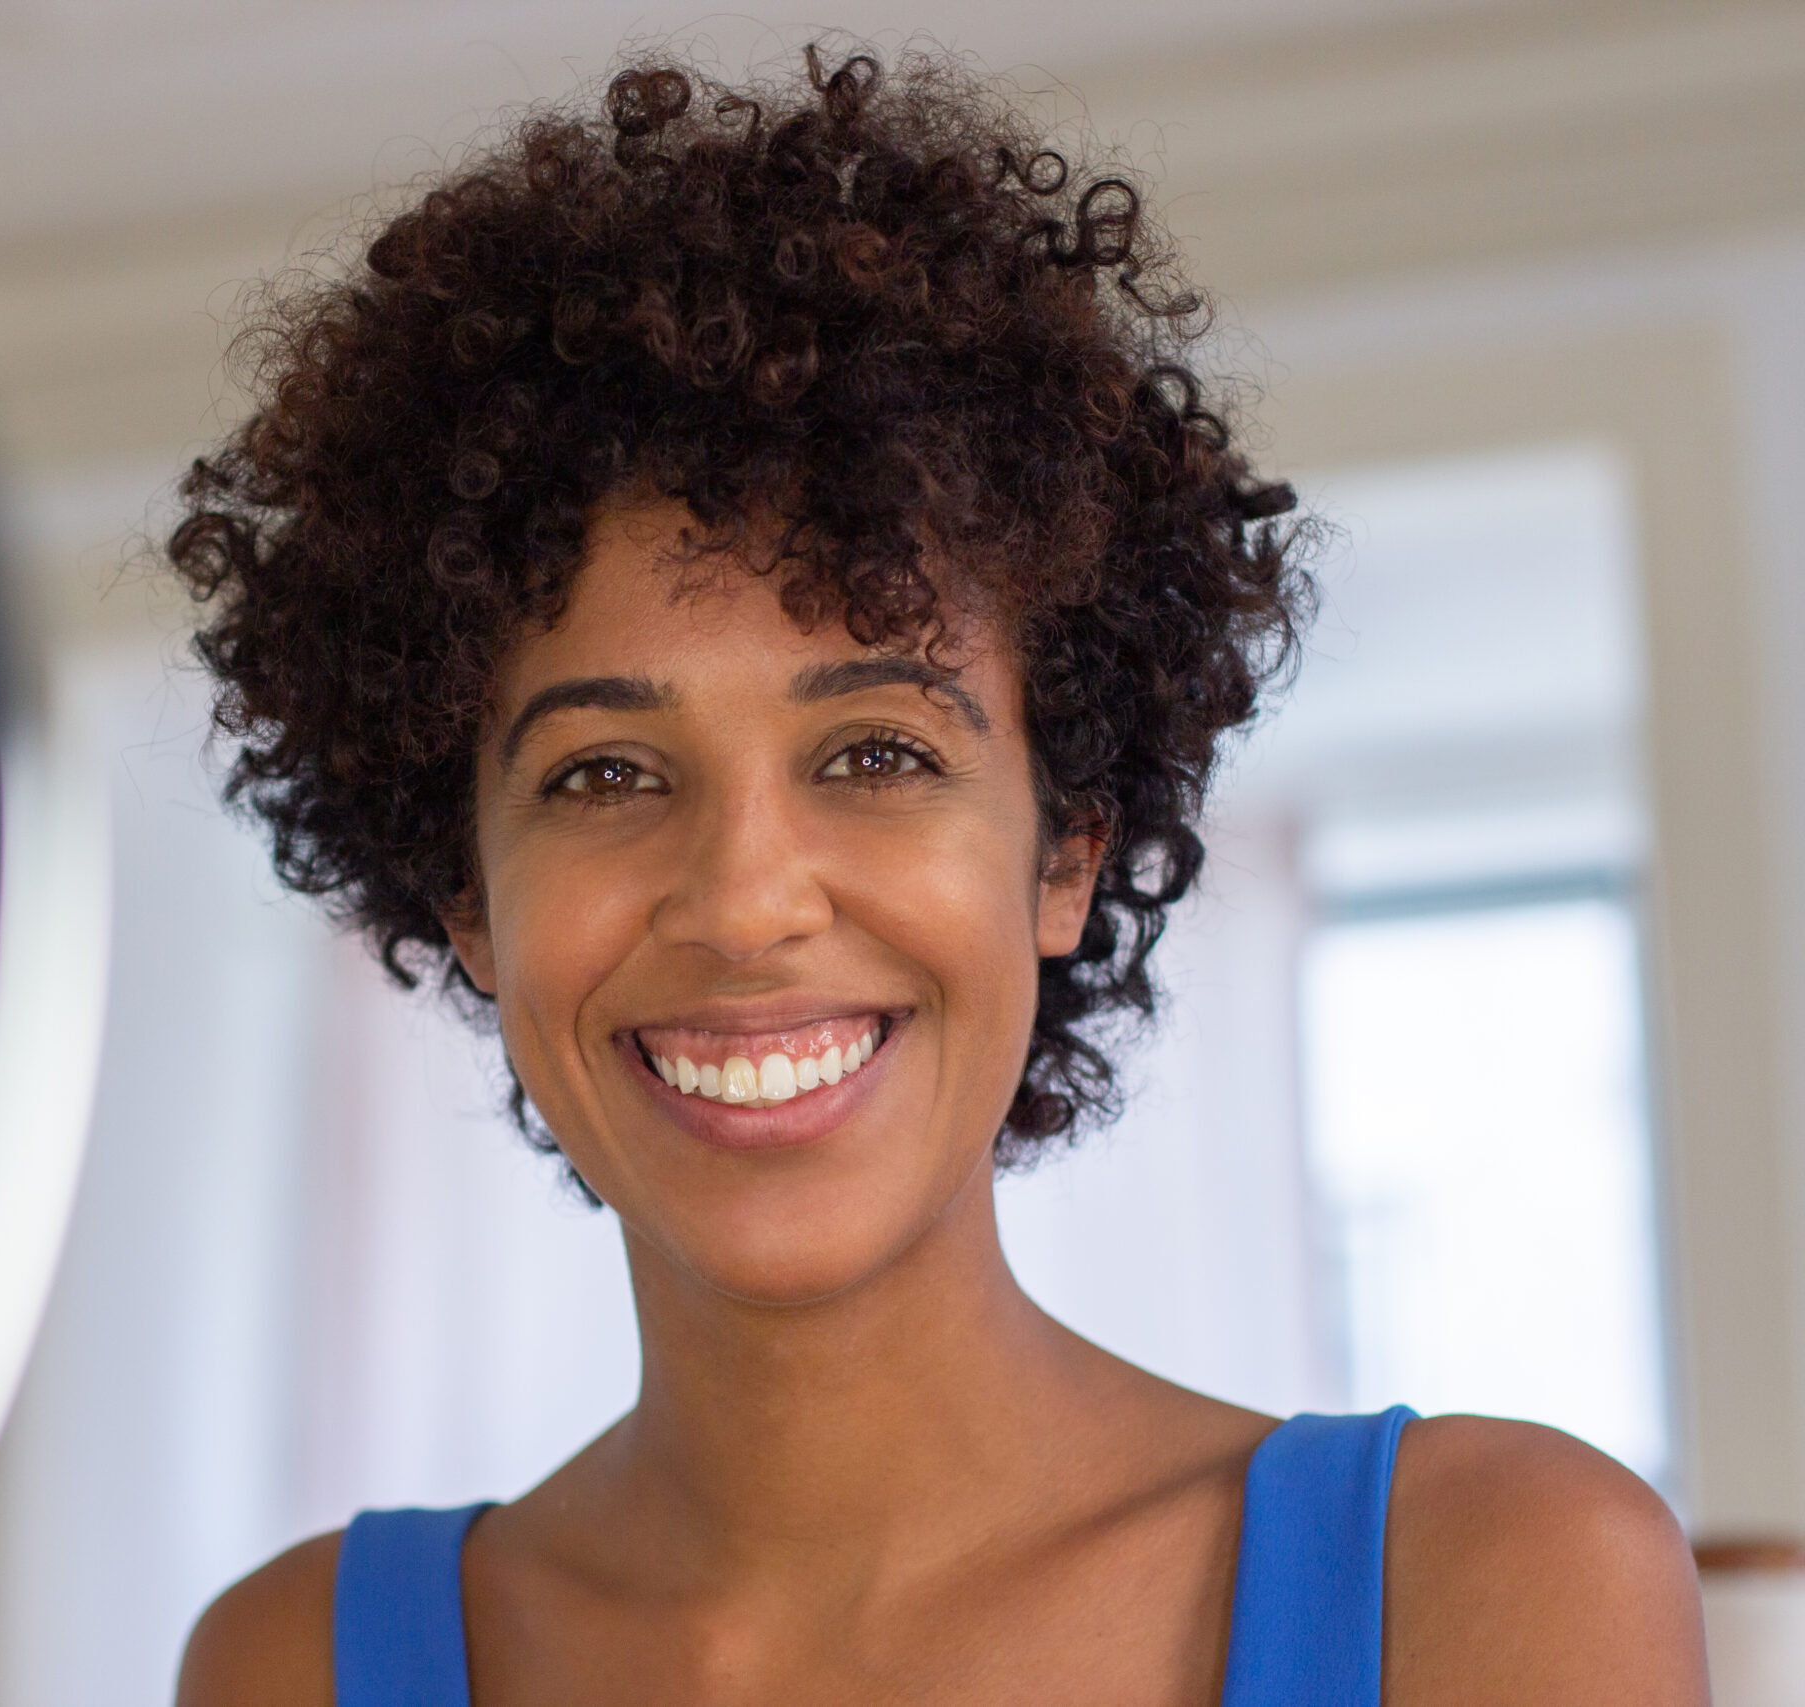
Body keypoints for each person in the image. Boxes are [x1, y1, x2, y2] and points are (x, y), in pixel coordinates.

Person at [165, 45, 1706, 1706]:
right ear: (464, 894)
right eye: (605, 774)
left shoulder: (1481, 1582)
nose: (746, 901)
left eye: (877, 755)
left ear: (1067, 850)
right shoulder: (295, 1665)